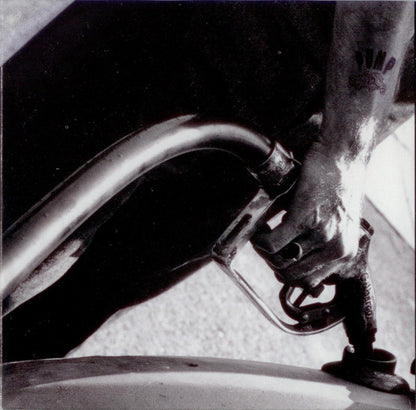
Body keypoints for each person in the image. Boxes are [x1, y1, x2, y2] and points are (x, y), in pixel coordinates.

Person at [3, 2, 414, 361]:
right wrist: (344, 150)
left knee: (74, 309)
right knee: (20, 228)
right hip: (212, 37)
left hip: (299, 129)